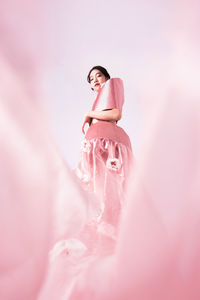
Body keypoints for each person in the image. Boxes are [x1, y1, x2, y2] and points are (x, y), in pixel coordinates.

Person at [76, 66, 133, 239]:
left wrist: (89, 114)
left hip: (108, 143)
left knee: (110, 190)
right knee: (97, 192)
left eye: (98, 75)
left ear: (107, 78)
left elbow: (116, 113)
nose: (95, 80)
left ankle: (113, 229)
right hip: (96, 146)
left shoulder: (113, 85)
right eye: (91, 79)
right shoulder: (100, 102)